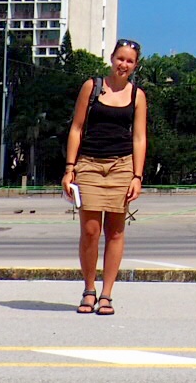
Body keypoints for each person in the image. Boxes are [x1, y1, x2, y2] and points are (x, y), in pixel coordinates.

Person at [63, 38, 148, 316]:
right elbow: (76, 128)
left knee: (115, 231)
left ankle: (107, 294)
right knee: (90, 231)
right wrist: (69, 168)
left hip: (122, 166)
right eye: (120, 58)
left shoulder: (137, 96)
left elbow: (139, 138)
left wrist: (137, 175)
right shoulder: (92, 86)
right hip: (89, 163)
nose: (123, 65)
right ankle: (89, 289)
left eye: (129, 61)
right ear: (111, 58)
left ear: (135, 66)